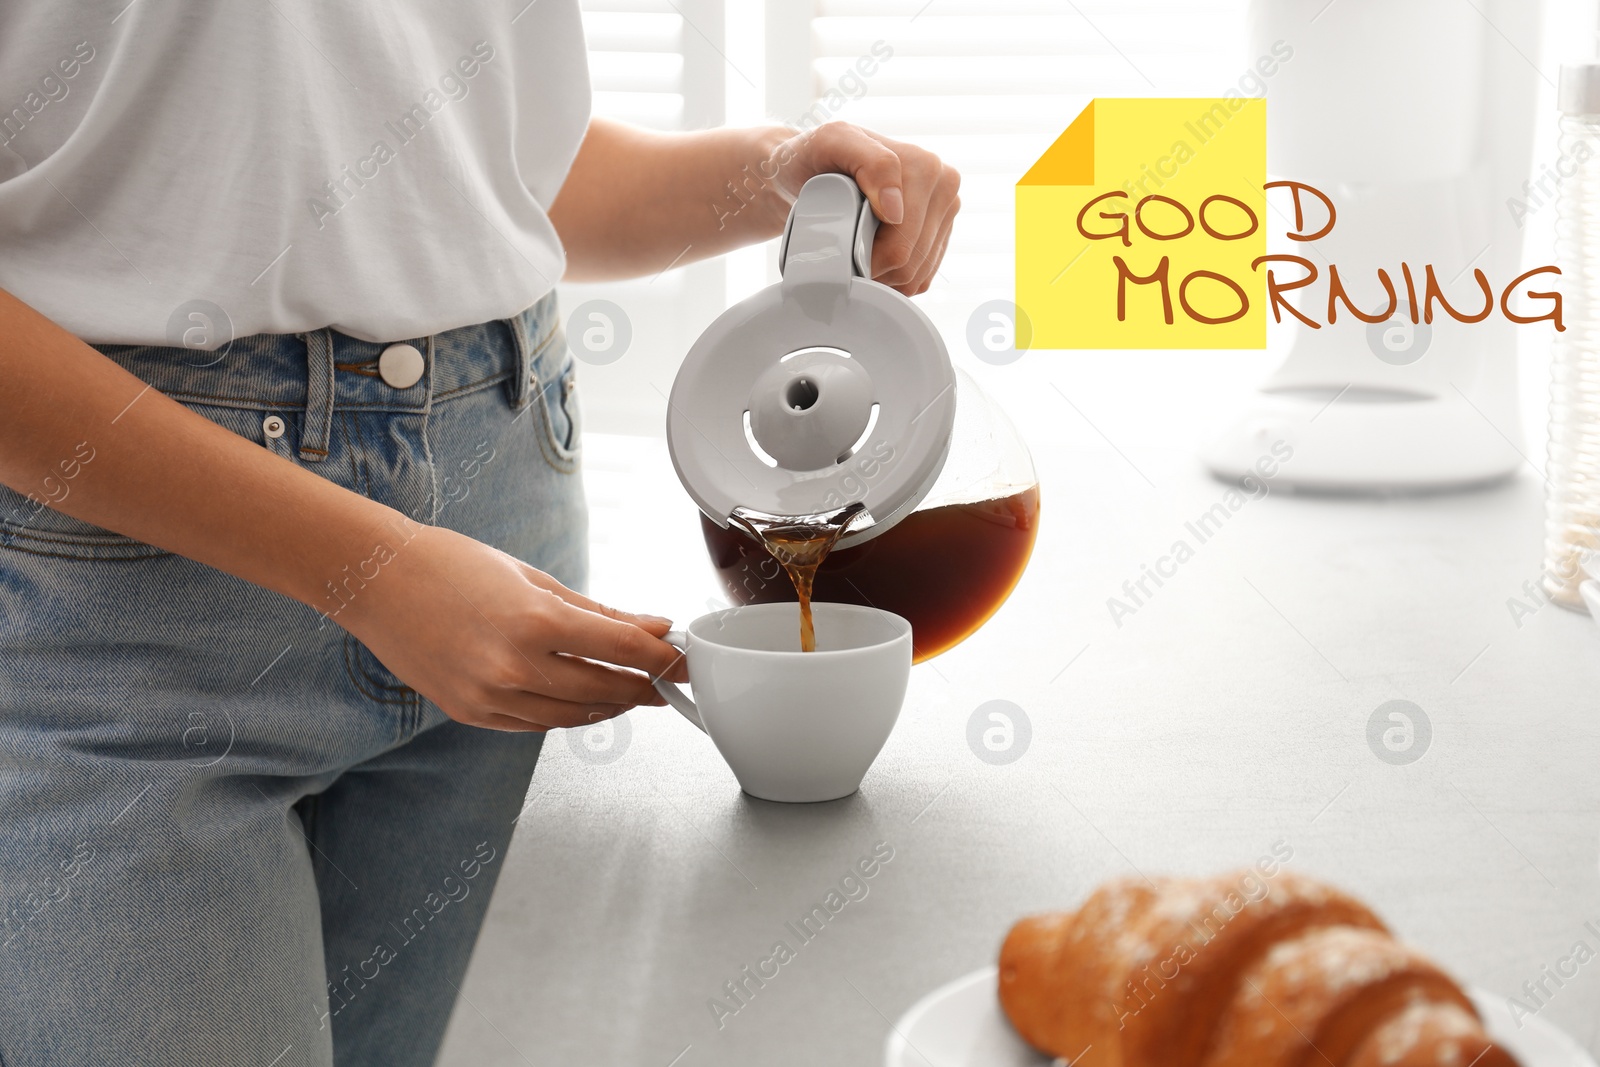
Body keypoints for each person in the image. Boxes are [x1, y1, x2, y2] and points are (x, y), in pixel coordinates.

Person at [0, 3, 960, 1065]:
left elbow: (494, 177)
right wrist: (370, 569)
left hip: (500, 510)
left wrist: (768, 171)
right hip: (130, 581)